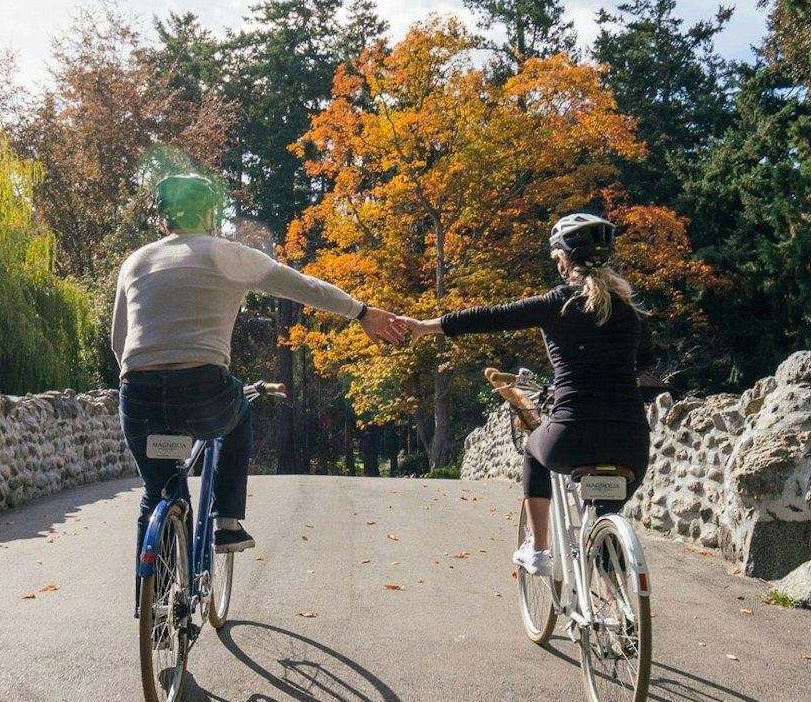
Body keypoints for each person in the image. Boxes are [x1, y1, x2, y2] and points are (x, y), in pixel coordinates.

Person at [113, 173, 407, 555]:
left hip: (137, 394)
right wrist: (362, 312)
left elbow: (119, 342)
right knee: (239, 415)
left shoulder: (134, 261)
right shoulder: (227, 254)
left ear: (164, 217)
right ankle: (228, 523)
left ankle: (151, 607)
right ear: (207, 215)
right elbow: (305, 287)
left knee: (159, 493)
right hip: (203, 390)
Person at [402, 213, 652, 576]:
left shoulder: (557, 302)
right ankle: (619, 605)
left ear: (564, 259)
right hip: (631, 443)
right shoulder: (631, 312)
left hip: (572, 435)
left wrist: (426, 327)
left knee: (535, 450)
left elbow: (491, 317)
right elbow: (644, 359)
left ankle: (537, 550)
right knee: (606, 515)